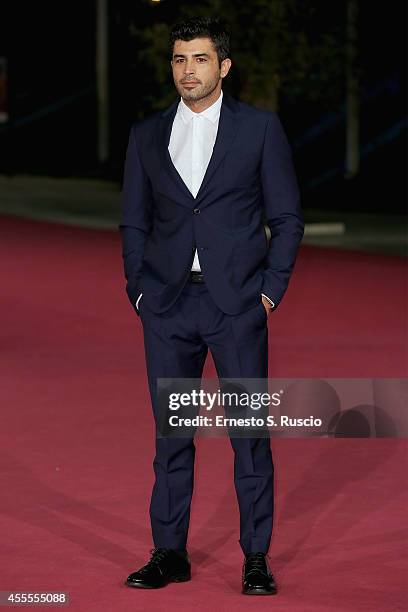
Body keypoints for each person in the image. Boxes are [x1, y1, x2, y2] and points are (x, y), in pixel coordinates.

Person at [119, 16, 304, 596]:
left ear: (223, 66)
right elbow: (133, 220)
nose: (187, 70)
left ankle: (255, 557)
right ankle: (169, 552)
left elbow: (287, 219)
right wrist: (139, 290)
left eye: (199, 59)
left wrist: (269, 291)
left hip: (237, 307)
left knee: (249, 433)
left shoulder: (260, 129)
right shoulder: (147, 134)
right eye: (179, 60)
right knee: (171, 435)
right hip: (168, 306)